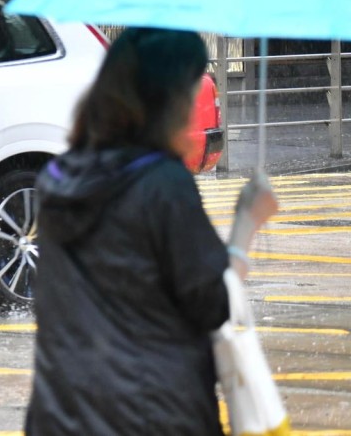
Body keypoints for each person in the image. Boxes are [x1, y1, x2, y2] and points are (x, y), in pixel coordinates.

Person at [24, 27, 279, 436]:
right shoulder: (163, 185)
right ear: (166, 101)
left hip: (60, 415)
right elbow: (212, 303)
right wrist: (247, 223)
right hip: (152, 415)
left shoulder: (56, 180)